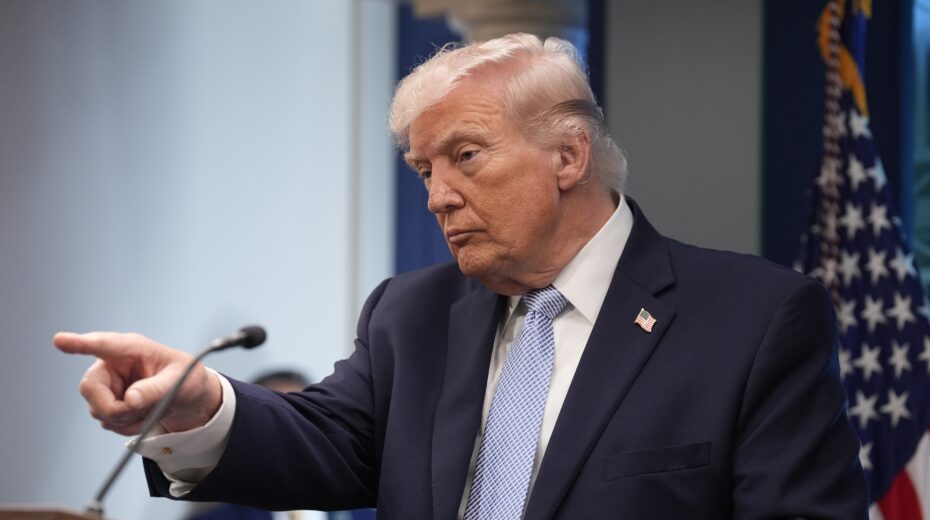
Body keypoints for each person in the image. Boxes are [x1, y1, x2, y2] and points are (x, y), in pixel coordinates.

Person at [54, 33, 868, 518]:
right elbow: (326, 441)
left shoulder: (752, 320)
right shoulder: (410, 314)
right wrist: (200, 403)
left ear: (567, 155)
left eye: (466, 158)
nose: (440, 196)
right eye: (423, 171)